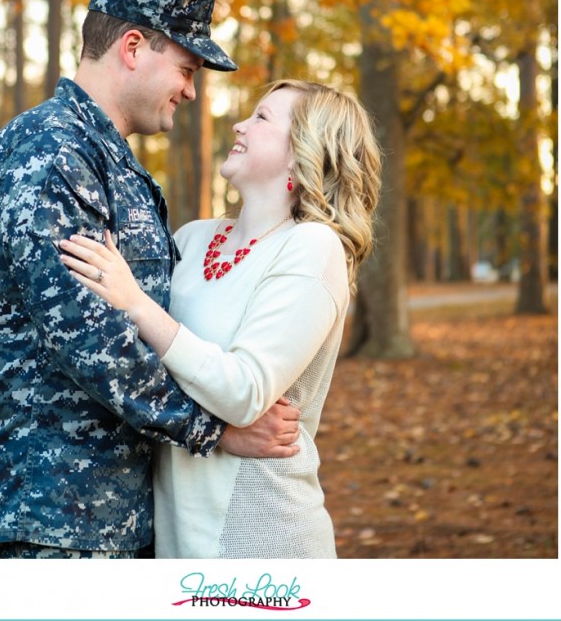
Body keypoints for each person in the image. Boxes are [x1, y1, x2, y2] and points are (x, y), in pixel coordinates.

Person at [0, 0, 300, 560]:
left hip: (108, 517)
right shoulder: (50, 152)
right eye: (186, 70)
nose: (191, 92)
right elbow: (90, 337)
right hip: (40, 514)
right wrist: (215, 431)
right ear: (132, 48)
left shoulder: (111, 163)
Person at [59, 77, 382, 558]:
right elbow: (139, 364)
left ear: (300, 152)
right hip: (176, 533)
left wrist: (137, 303)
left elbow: (245, 390)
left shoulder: (313, 248)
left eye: (262, 118)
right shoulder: (192, 238)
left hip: (258, 535)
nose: (240, 124)